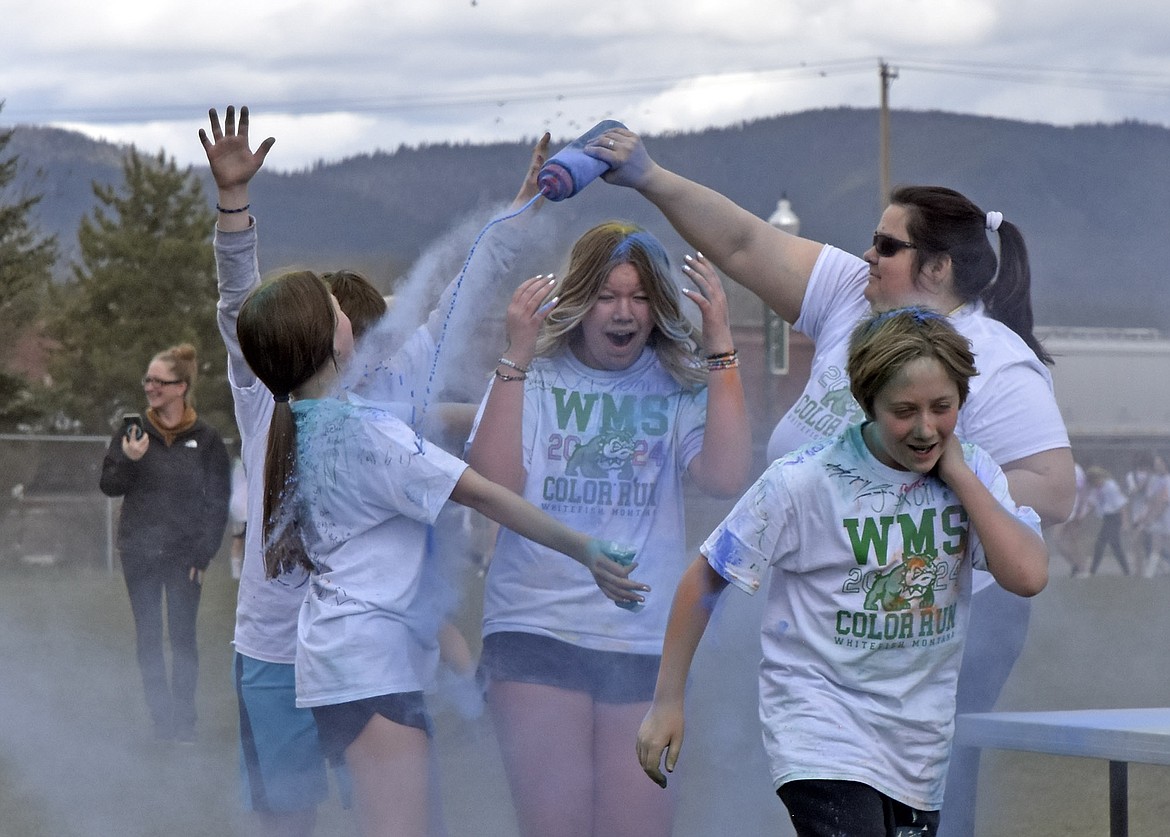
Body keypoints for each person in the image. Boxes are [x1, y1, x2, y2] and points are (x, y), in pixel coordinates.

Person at [588, 128, 1075, 835]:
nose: (867, 256)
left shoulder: (999, 364)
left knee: (920, 795)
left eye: (887, 245)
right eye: (904, 409)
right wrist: (650, 176)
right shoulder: (853, 306)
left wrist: (933, 483)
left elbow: (1056, 492)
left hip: (938, 615)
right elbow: (746, 245)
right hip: (819, 625)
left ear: (936, 268)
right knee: (837, 780)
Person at [199, 105, 555, 836]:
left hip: (371, 657)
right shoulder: (267, 393)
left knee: (396, 817)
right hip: (273, 649)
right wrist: (233, 203)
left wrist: (519, 212)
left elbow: (463, 294)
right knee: (287, 818)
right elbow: (239, 300)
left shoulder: (397, 384)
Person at [236, 267, 641, 837]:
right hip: (369, 666)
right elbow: (484, 493)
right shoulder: (364, 433)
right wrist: (585, 548)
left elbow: (431, 402)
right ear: (329, 338)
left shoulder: (300, 426)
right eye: (336, 308)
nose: (349, 314)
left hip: (339, 661)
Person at [636, 307, 1049, 836]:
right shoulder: (803, 481)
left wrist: (961, 477)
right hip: (820, 726)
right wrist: (668, 700)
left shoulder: (976, 474)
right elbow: (705, 576)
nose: (926, 428)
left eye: (942, 407)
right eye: (904, 411)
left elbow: (1028, 576)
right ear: (866, 403)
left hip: (919, 740)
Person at [465, 221, 752, 837]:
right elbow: (493, 484)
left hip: (643, 643)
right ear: (578, 300)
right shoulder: (534, 376)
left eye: (641, 296)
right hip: (535, 627)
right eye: (607, 295)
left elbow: (726, 476)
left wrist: (721, 342)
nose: (625, 313)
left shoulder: (674, 385)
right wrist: (516, 351)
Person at [99, 343, 231, 742]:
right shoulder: (132, 432)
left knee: (183, 638)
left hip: (184, 557)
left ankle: (185, 724)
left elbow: (217, 501)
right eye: (148, 380)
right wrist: (128, 458)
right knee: (149, 639)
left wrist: (203, 553)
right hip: (138, 553)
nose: (151, 387)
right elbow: (109, 486)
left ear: (181, 387)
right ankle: (162, 723)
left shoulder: (206, 440)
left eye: (160, 381)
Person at [1085, 465, 1130, 575]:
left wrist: (1125, 522)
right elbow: (1091, 503)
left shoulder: (1110, 486)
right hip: (1107, 518)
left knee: (1104, 543)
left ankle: (1093, 571)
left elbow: (1122, 505)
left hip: (1114, 517)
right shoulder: (1097, 489)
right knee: (1112, 544)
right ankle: (1126, 570)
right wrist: (1083, 516)